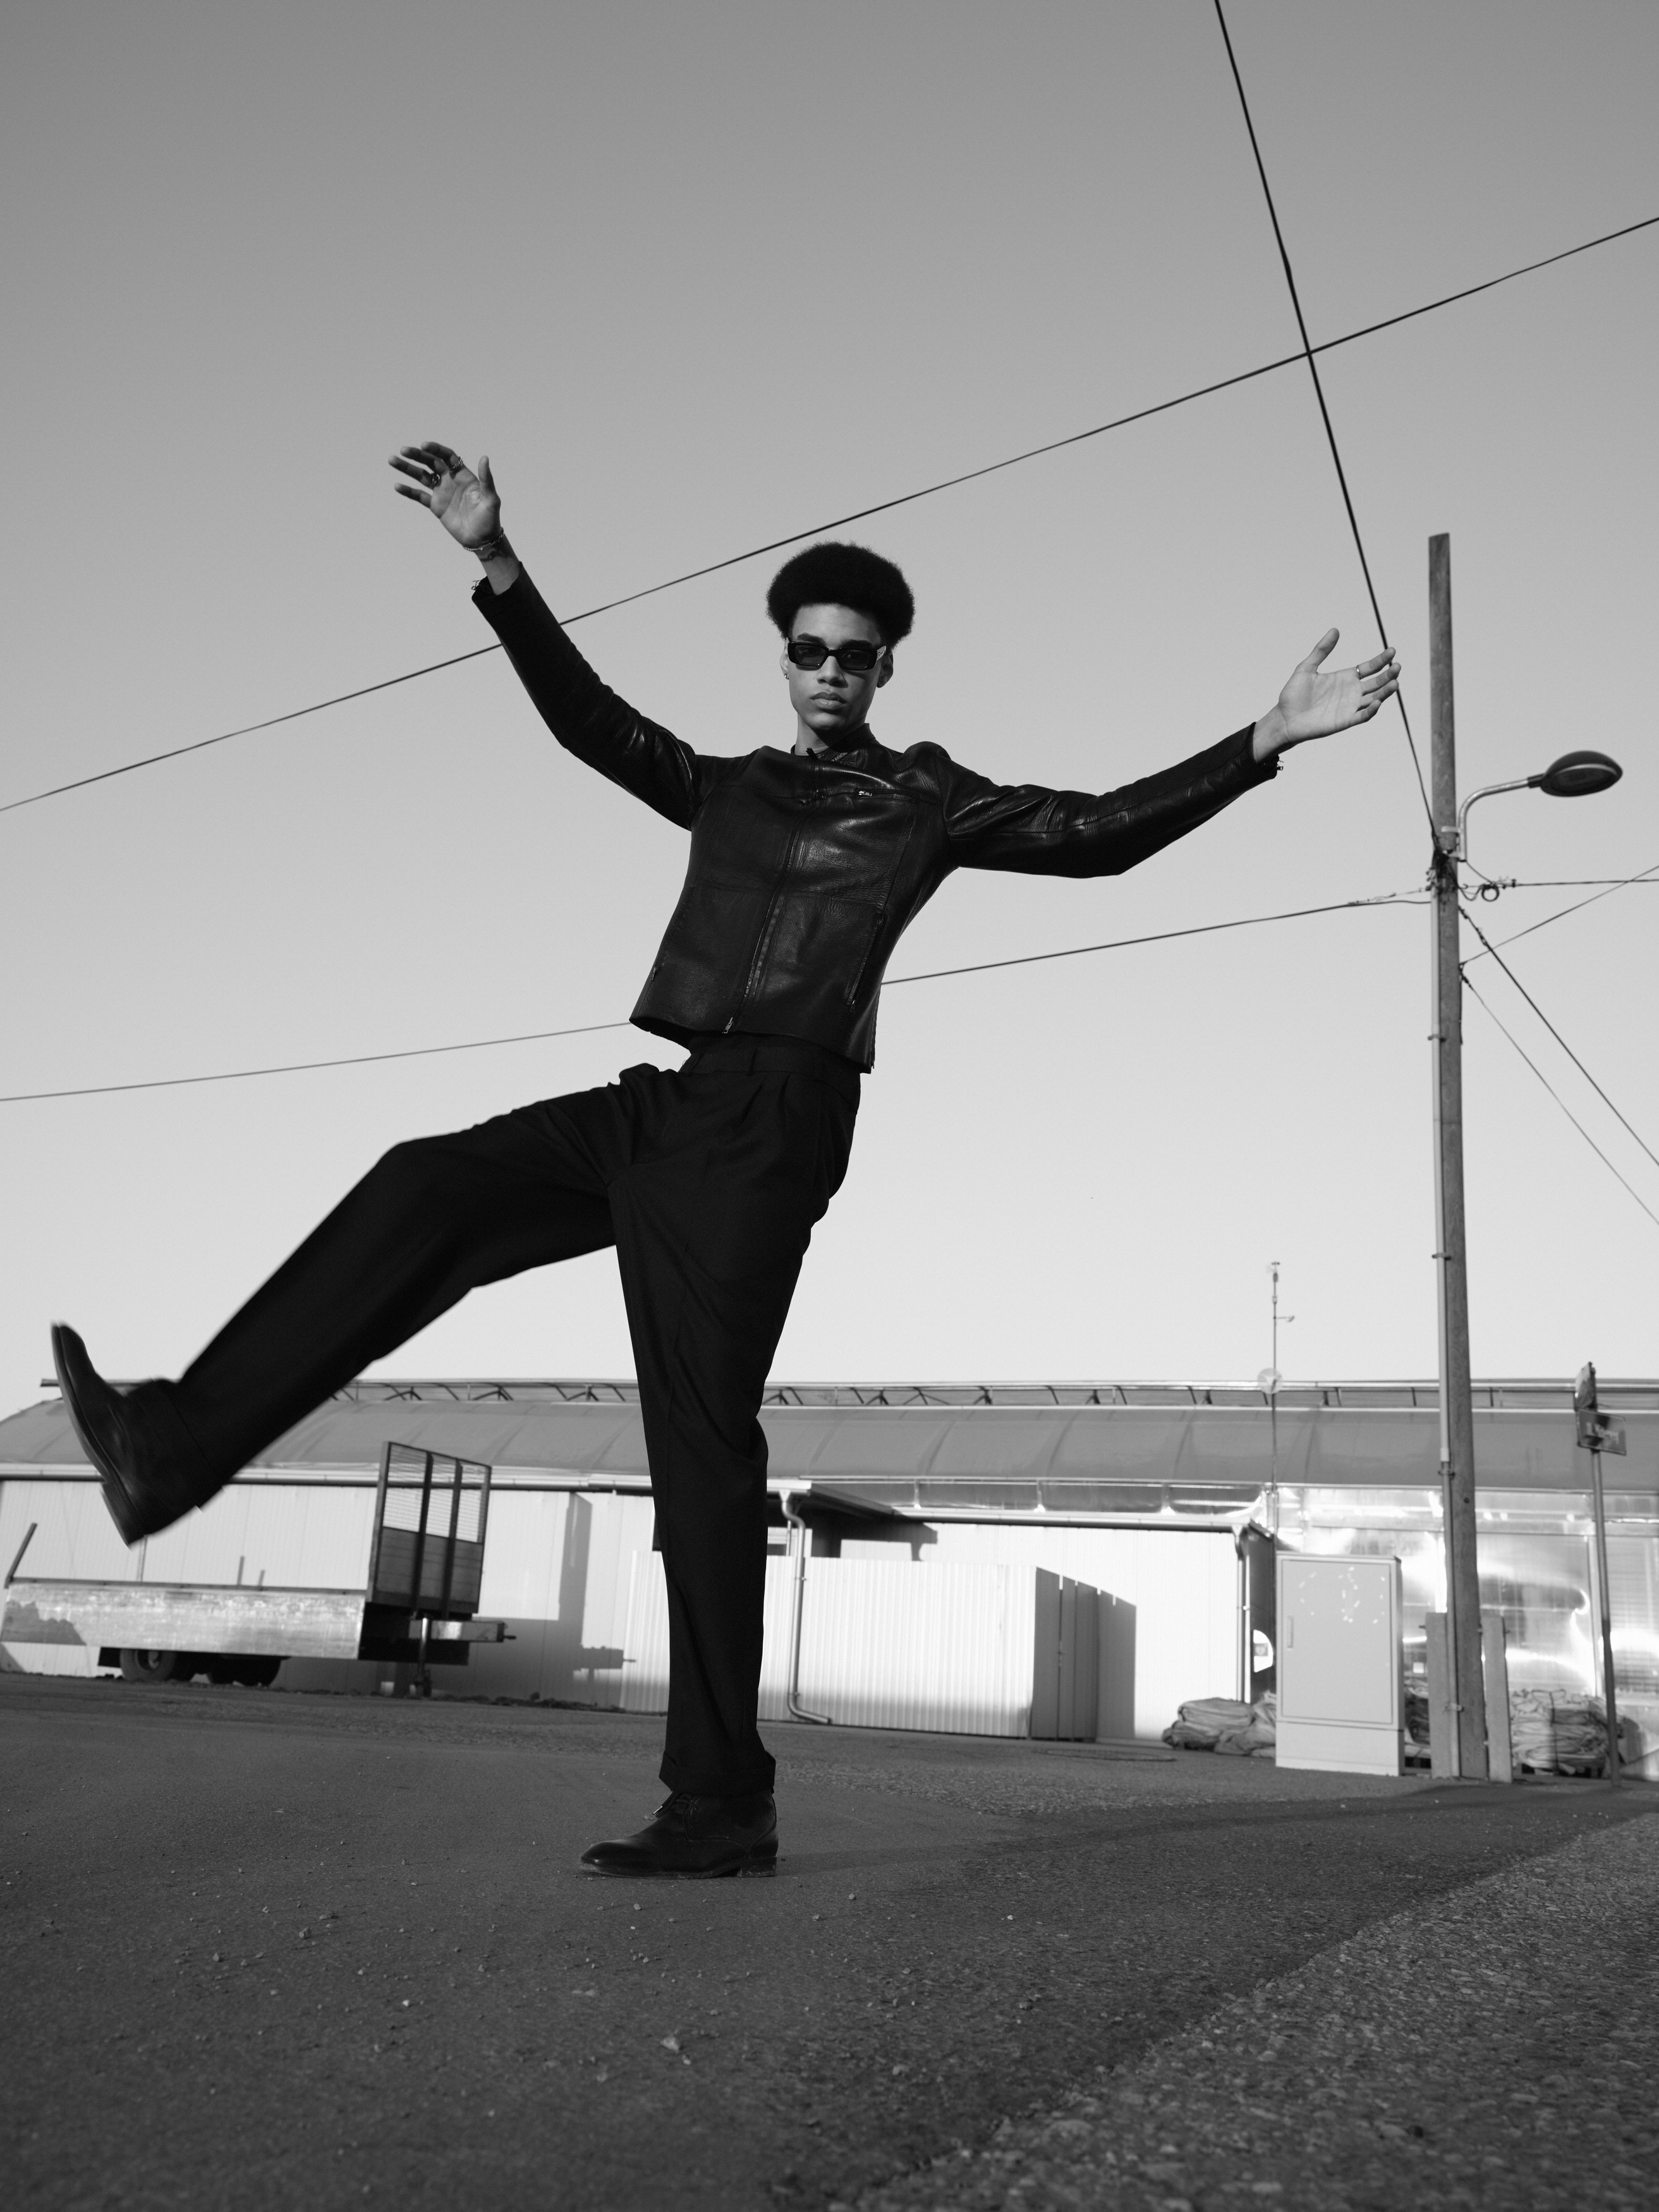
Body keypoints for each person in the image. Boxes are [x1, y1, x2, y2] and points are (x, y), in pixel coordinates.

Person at [52, 442, 1400, 1876]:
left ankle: (719, 1799)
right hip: (674, 1101)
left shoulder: (924, 799)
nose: (830, 672)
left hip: (774, 1126)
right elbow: (590, 723)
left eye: (855, 656)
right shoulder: (730, 786)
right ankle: (172, 1446)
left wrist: (1261, 739)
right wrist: (498, 563)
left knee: (695, 1441)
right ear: (783, 659)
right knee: (425, 1182)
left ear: (883, 670)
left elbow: (1092, 837)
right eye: (809, 650)